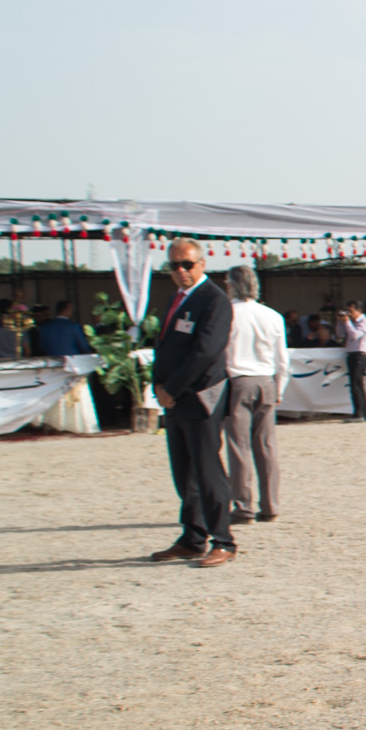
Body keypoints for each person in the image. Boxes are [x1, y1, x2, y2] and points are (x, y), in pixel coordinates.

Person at [147, 239, 238, 567]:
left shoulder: (214, 300)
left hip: (200, 397)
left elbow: (205, 352)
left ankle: (223, 540)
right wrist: (159, 386)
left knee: (207, 469)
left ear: (202, 264)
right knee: (183, 472)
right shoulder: (177, 298)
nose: (180, 271)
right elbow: (167, 348)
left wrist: (171, 387)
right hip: (175, 400)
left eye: (187, 264)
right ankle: (192, 537)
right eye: (174, 265)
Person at [223, 266, 288, 524]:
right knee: (267, 446)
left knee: (239, 448)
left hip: (237, 381)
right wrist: (279, 387)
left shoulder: (227, 313)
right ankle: (271, 504)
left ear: (232, 284)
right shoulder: (272, 315)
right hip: (266, 381)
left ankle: (243, 506)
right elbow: (282, 358)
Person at [339, 300, 366, 422]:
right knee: (354, 385)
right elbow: (341, 334)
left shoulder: (365, 322)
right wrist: (341, 322)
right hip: (352, 355)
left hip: (359, 355)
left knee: (357, 385)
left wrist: (347, 322)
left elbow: (355, 335)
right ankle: (359, 412)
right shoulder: (351, 323)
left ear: (359, 310)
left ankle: (361, 413)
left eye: (351, 311)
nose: (349, 314)